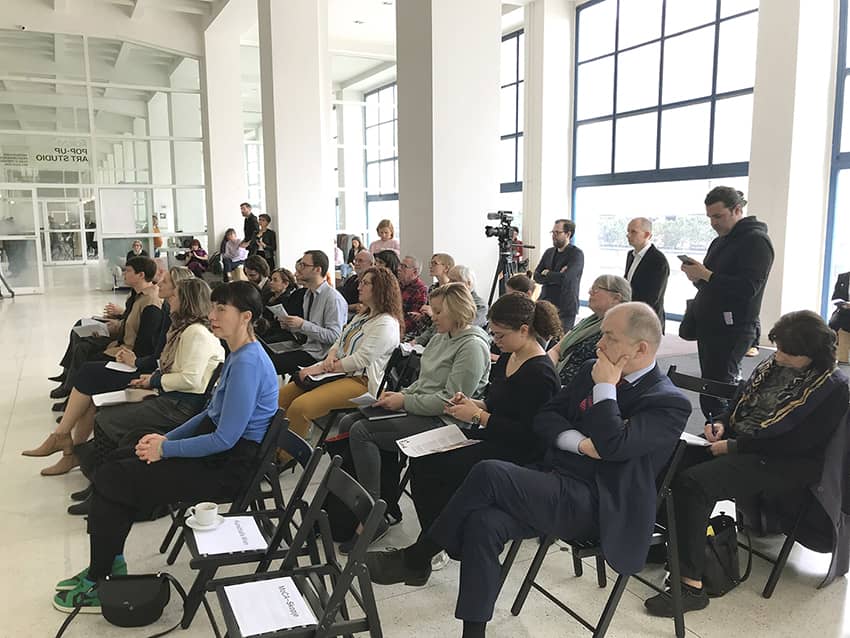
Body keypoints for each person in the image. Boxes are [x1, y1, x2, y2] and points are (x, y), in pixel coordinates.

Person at [366, 303, 691, 638]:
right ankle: (472, 632)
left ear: (641, 349)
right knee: (483, 523)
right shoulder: (591, 370)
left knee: (490, 473)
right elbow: (546, 417)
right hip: (553, 479)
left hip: (598, 504)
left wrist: (606, 388)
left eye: (609, 337)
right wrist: (581, 443)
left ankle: (418, 557)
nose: (599, 344)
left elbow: (612, 445)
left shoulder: (667, 402)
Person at [51, 281, 279, 615]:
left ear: (246, 317)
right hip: (217, 451)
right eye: (212, 307)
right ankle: (109, 566)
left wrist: (166, 450)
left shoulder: (248, 363)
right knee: (120, 457)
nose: (212, 315)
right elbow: (208, 415)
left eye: (221, 309)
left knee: (114, 477)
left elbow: (224, 439)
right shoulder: (239, 353)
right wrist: (167, 439)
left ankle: (101, 576)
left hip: (229, 467)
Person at [645, 310, 849, 617]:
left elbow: (799, 443)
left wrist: (735, 446)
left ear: (811, 355)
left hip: (789, 462)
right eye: (778, 348)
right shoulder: (773, 366)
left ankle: (691, 586)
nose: (778, 356)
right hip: (748, 444)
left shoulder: (832, 387)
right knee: (673, 457)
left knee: (695, 484)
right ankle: (666, 544)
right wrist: (721, 423)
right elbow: (741, 403)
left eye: (787, 352)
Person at [367, 293, 561, 572]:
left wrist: (479, 416)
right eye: (493, 333)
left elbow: (529, 435)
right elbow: (496, 402)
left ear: (524, 330)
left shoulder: (540, 374)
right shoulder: (510, 356)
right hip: (495, 435)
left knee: (439, 466)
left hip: (518, 451)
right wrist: (473, 404)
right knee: (422, 458)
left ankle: (434, 546)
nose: (495, 340)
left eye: (500, 335)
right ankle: (434, 543)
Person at [336, 282, 491, 552]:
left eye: (439, 311)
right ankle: (369, 504)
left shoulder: (472, 347)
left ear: (457, 311)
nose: (433, 316)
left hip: (448, 423)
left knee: (363, 432)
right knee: (350, 422)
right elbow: (425, 382)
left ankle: (372, 515)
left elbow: (451, 402)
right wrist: (400, 395)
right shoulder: (442, 336)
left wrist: (404, 401)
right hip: (423, 408)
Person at [23, 266, 195, 477]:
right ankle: (69, 447)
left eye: (165, 282)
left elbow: (159, 357)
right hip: (145, 365)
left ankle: (64, 440)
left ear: (179, 290)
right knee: (89, 377)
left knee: (89, 374)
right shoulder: (166, 310)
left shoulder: (164, 312)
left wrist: (136, 361)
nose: (158, 283)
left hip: (149, 372)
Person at [277, 267, 403, 441]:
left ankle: (284, 454)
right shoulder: (363, 316)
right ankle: (266, 445)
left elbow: (361, 359)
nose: (359, 287)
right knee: (280, 398)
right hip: (337, 371)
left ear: (380, 289)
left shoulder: (386, 323)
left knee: (301, 407)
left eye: (365, 283)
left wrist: (321, 368)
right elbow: (339, 340)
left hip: (361, 381)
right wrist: (330, 357)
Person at [681, 187, 774, 419]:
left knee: (720, 386)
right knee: (710, 385)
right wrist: (698, 277)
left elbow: (748, 288)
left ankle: (724, 428)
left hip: (733, 327)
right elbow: (712, 286)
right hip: (711, 324)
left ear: (737, 210)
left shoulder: (757, 241)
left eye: (718, 216)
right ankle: (715, 426)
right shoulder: (720, 242)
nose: (713, 222)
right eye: (710, 217)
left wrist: (706, 275)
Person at [51, 257, 163, 401]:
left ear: (141, 275)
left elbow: (143, 340)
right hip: (121, 338)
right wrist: (116, 322)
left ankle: (72, 389)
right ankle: (69, 380)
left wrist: (116, 328)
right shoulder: (136, 294)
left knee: (83, 350)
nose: (124, 274)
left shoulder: (150, 301)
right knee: (81, 329)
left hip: (126, 348)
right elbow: (130, 321)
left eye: (128, 271)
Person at [267, 250, 348, 376]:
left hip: (320, 356)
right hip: (306, 347)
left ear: (317, 269)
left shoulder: (333, 298)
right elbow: (308, 332)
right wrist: (292, 327)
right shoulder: (308, 294)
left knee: (268, 364)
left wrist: (302, 324)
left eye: (303, 265)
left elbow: (334, 337)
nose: (299, 269)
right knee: (263, 353)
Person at [548, 274, 631, 386]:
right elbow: (556, 350)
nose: (590, 292)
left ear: (616, 298)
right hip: (554, 379)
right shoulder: (588, 322)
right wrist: (546, 370)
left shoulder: (618, 332)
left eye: (596, 289)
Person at [534, 219, 585, 331]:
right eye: (553, 232)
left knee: (560, 339)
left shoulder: (576, 254)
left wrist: (547, 273)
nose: (554, 236)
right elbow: (536, 276)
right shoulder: (549, 252)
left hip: (565, 306)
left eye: (557, 232)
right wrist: (557, 275)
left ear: (568, 234)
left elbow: (567, 279)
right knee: (540, 337)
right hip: (545, 303)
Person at [625, 217, 669, 333]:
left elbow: (652, 297)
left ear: (647, 235)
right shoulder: (631, 255)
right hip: (631, 315)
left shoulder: (658, 260)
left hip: (648, 319)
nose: (628, 235)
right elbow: (628, 283)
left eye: (633, 232)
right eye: (628, 231)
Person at [398, 255, 428, 335]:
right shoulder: (397, 285)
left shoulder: (420, 290)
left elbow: (412, 320)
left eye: (404, 266)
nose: (399, 268)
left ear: (415, 272)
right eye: (400, 265)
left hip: (404, 331)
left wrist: (394, 329)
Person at [829, 271, 850, 363]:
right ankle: (840, 358)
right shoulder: (843, 276)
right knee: (834, 323)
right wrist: (843, 304)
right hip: (844, 314)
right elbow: (835, 298)